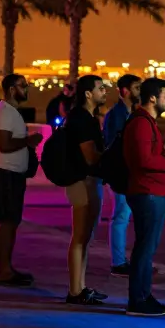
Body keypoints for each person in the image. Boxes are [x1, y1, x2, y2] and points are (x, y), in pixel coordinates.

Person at [122, 77, 165, 316]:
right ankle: (138, 300)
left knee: (147, 247)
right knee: (145, 247)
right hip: (146, 192)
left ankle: (144, 295)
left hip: (151, 192)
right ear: (152, 98)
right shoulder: (141, 123)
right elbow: (143, 160)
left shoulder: (146, 122)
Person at [0, 74, 43, 287]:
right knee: (8, 222)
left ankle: (7, 268)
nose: (26, 89)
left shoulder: (8, 111)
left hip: (11, 173)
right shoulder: (4, 112)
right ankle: (4, 271)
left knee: (11, 222)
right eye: (23, 86)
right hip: (6, 174)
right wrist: (29, 141)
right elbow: (4, 144)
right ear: (11, 89)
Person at [64, 75, 108, 305]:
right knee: (80, 237)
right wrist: (111, 155)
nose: (104, 92)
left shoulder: (86, 117)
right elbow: (90, 156)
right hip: (81, 181)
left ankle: (80, 287)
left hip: (88, 180)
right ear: (88, 94)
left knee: (85, 237)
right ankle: (75, 290)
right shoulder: (81, 119)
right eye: (100, 88)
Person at [102, 74, 139, 277]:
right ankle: (118, 262)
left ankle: (122, 260)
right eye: (136, 88)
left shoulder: (128, 113)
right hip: (120, 173)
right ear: (125, 91)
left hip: (126, 173)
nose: (139, 92)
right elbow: (115, 145)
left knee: (124, 216)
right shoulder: (117, 115)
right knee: (121, 216)